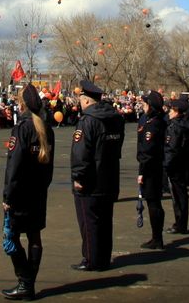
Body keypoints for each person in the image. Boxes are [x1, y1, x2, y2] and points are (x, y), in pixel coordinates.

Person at [0, 84, 55, 300]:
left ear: (22, 104)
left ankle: (25, 280)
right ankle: (28, 282)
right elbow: (48, 168)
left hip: (21, 193)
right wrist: (42, 187)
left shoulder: (22, 128)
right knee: (34, 236)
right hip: (38, 192)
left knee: (10, 238)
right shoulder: (47, 129)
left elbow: (14, 166)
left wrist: (8, 196)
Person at [70, 79, 124, 272]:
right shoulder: (116, 118)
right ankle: (103, 257)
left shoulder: (88, 121)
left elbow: (81, 153)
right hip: (110, 176)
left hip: (91, 180)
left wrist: (78, 177)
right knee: (105, 221)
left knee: (89, 222)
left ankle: (91, 259)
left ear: (85, 100)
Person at [136, 91, 166, 249]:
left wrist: (142, 173)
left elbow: (147, 151)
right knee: (153, 202)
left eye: (145, 104)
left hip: (151, 168)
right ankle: (156, 237)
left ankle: (157, 238)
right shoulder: (152, 120)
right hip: (152, 166)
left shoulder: (154, 124)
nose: (143, 106)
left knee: (153, 203)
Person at [164, 97, 189, 235]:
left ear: (176, 112)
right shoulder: (184, 124)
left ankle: (180, 224)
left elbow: (172, 148)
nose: (169, 112)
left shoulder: (175, 127)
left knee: (178, 196)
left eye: (171, 110)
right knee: (180, 194)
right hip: (183, 163)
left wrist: (166, 165)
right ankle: (181, 222)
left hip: (175, 165)